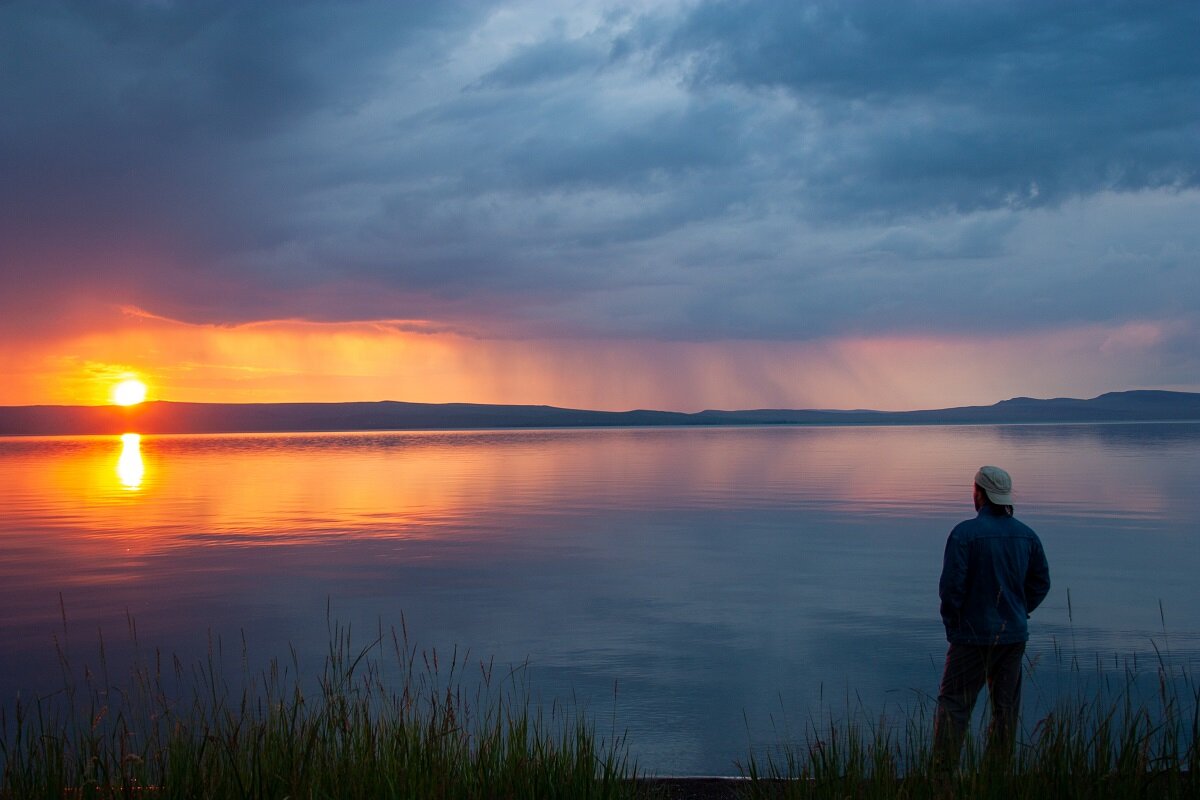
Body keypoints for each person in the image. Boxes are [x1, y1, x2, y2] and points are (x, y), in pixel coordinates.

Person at [933, 465, 1050, 770]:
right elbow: (1041, 583)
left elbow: (951, 588)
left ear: (979, 494)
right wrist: (1020, 611)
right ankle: (996, 775)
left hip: (970, 636)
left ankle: (942, 776)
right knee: (1006, 709)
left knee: (955, 706)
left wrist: (953, 626)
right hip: (1013, 636)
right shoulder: (1027, 536)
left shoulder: (964, 534)